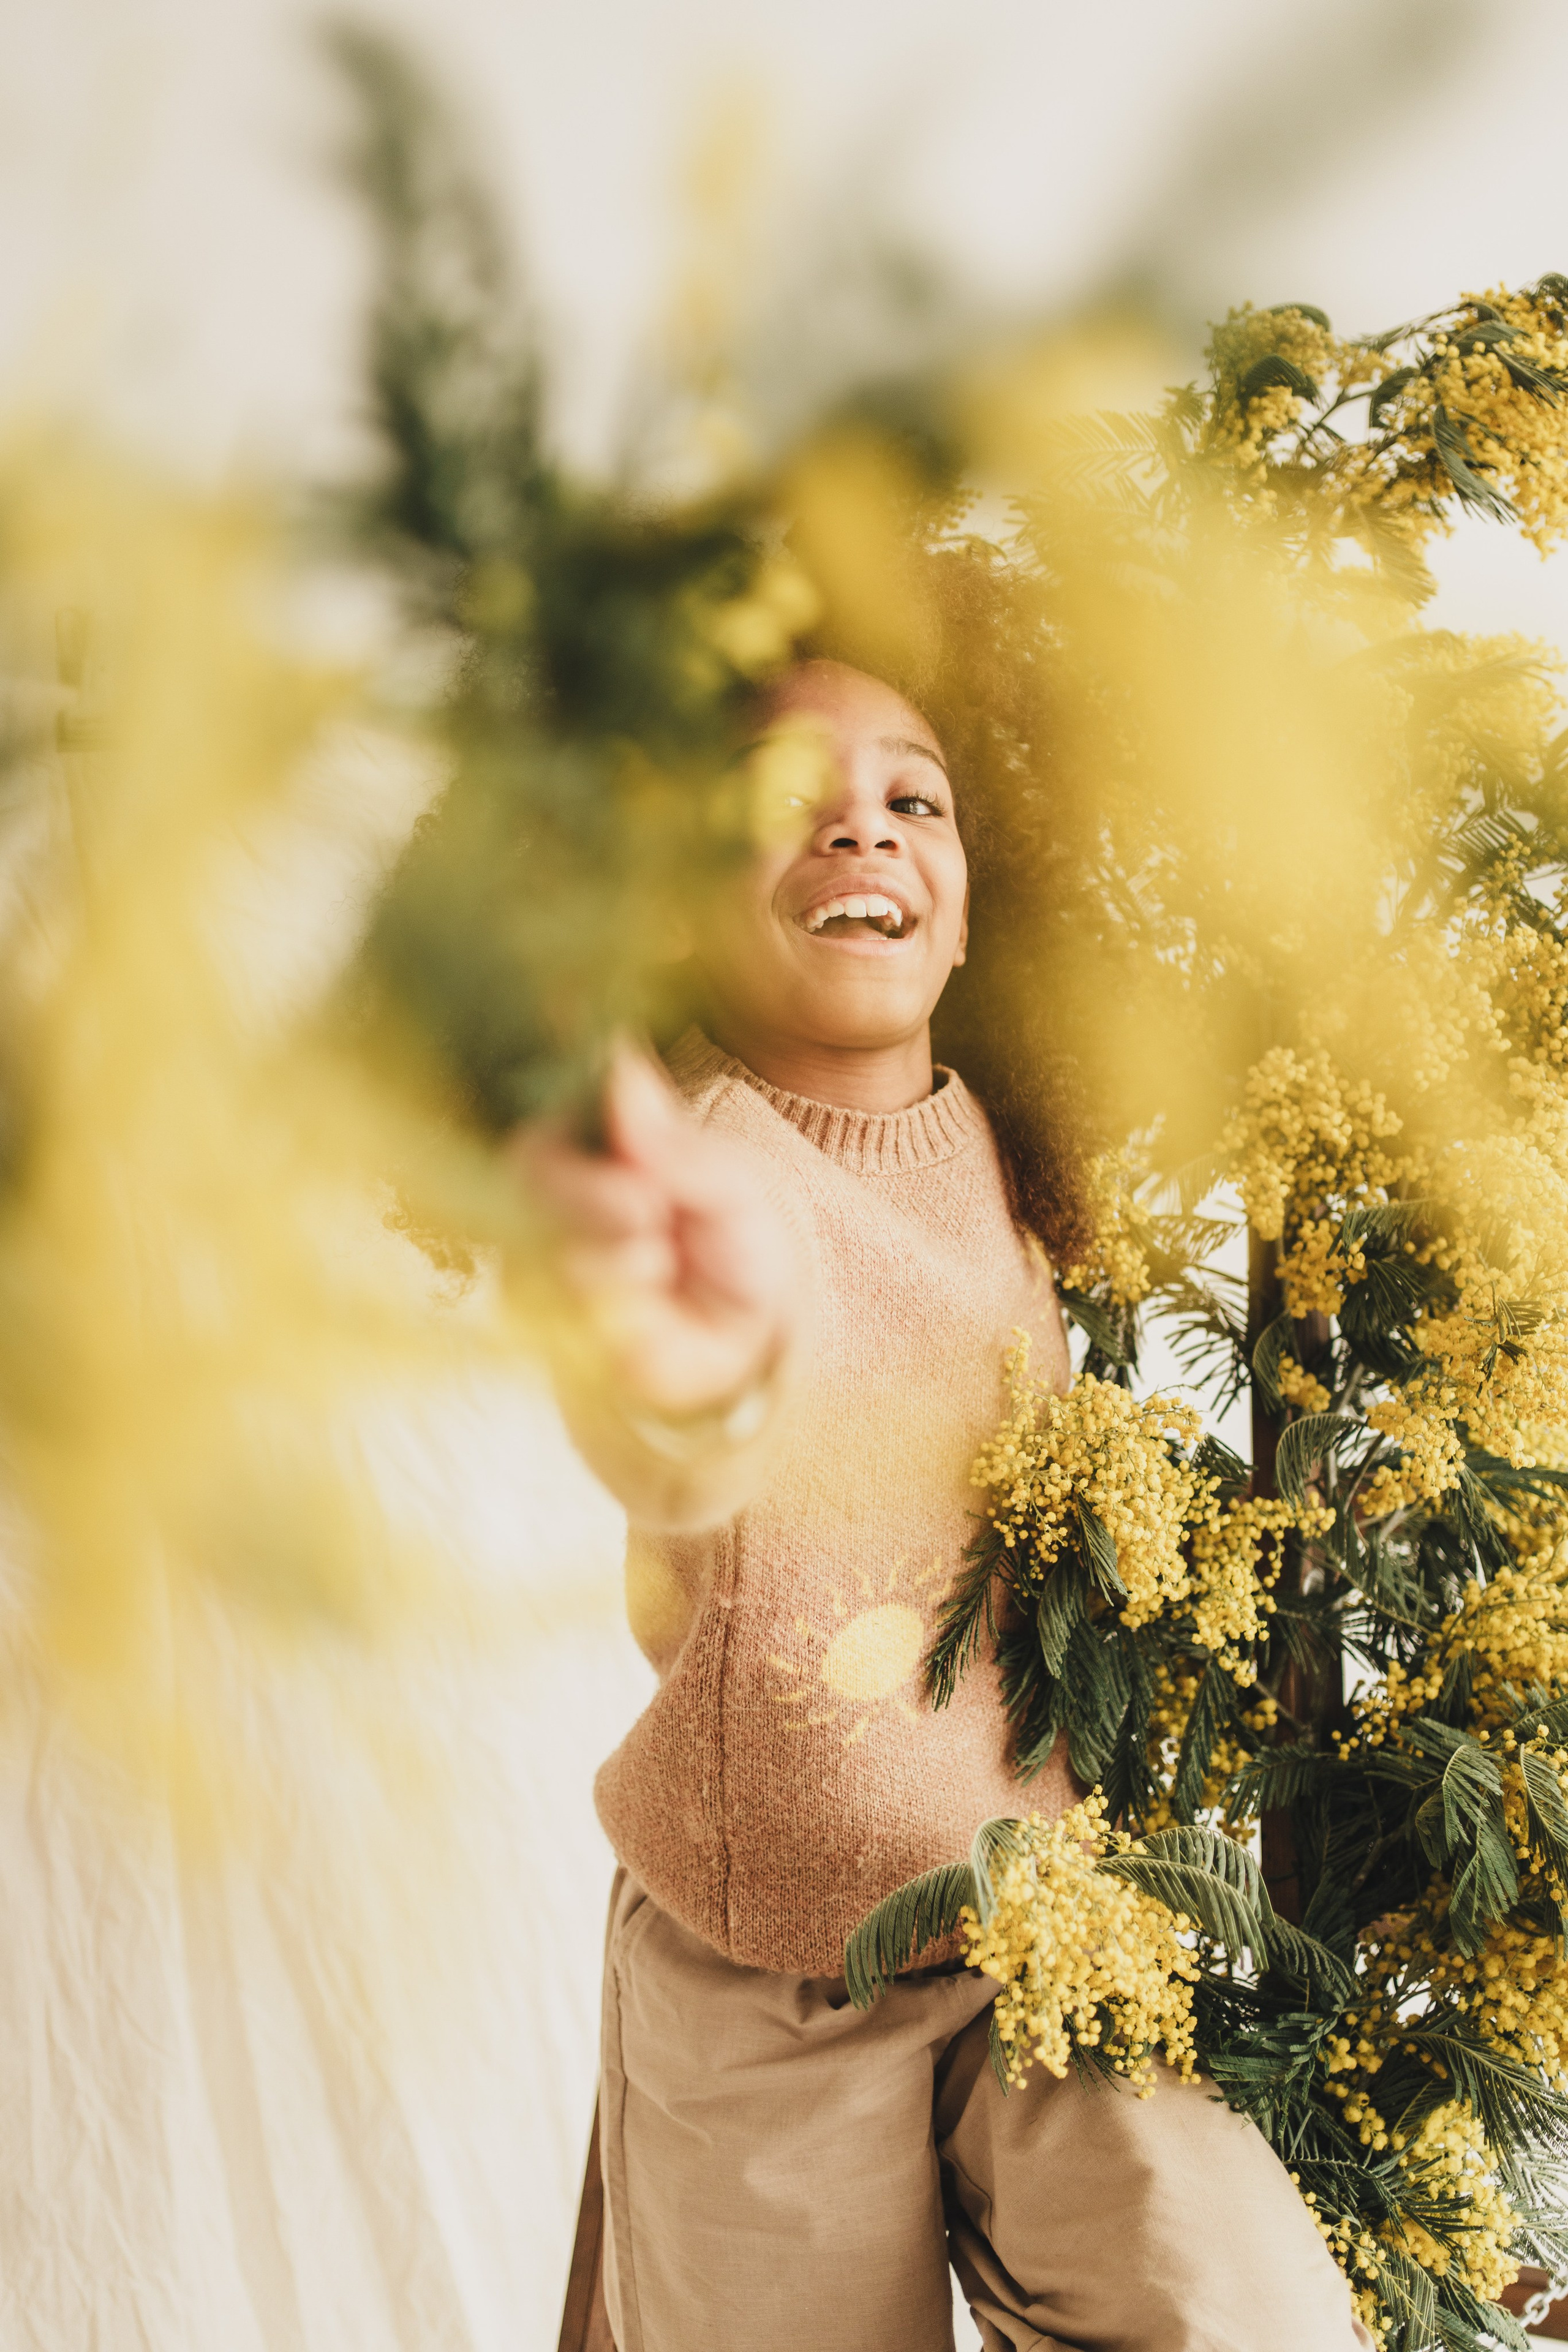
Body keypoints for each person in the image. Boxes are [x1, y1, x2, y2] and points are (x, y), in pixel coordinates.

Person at [522, 657, 1373, 2352]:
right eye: (789, 803)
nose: (862, 825)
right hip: (774, 1961)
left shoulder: (1011, 1160)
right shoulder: (715, 1173)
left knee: (1243, 2307)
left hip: (1029, 1931)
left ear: (982, 910)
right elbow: (669, 1441)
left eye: (916, 801)